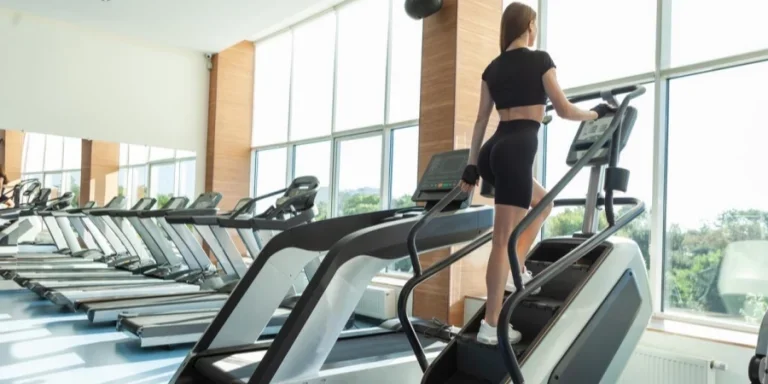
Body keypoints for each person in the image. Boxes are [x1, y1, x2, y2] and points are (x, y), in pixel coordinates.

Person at [458, 2, 615, 346]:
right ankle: (490, 324)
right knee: (501, 240)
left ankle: (517, 270)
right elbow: (563, 109)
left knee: (544, 203)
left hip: (493, 149)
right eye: (536, 23)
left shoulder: (492, 69)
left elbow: (482, 121)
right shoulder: (541, 59)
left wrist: (472, 165)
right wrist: (596, 113)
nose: (536, 29)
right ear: (528, 25)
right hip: (516, 150)